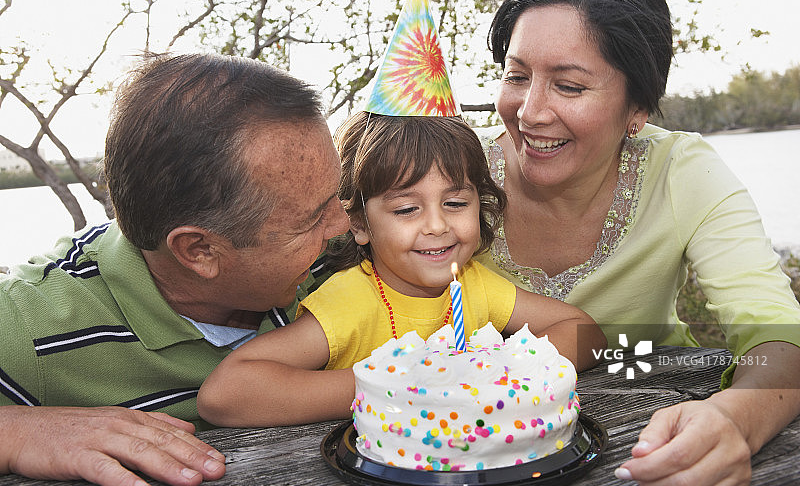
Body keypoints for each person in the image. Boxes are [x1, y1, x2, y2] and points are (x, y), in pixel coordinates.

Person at [476, 0, 800, 486]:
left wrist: (733, 419)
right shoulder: (449, 173)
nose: (529, 112)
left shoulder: (683, 171)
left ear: (638, 109)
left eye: (570, 85)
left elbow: (777, 335)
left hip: (647, 417)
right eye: (516, 76)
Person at [0, 53, 350, 486]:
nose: (343, 225)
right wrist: (14, 432)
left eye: (337, 195)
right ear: (199, 250)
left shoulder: (334, 263)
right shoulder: (27, 322)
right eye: (313, 219)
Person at [197, 111, 607, 427]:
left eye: (456, 203)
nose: (436, 225)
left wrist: (498, 372)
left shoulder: (471, 285)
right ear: (358, 223)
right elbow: (225, 395)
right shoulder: (351, 301)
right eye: (407, 209)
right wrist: (401, 385)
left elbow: (586, 334)